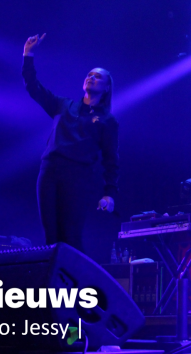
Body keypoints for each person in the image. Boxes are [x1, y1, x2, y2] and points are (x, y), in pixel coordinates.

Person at [22, 34, 119, 251]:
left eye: (97, 77)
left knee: (71, 235)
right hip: (49, 171)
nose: (91, 78)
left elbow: (111, 160)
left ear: (106, 88)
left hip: (78, 177)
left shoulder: (107, 120)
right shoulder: (63, 105)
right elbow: (34, 88)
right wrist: (28, 55)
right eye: (89, 75)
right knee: (50, 235)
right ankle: (52, 273)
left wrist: (109, 193)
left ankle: (72, 274)